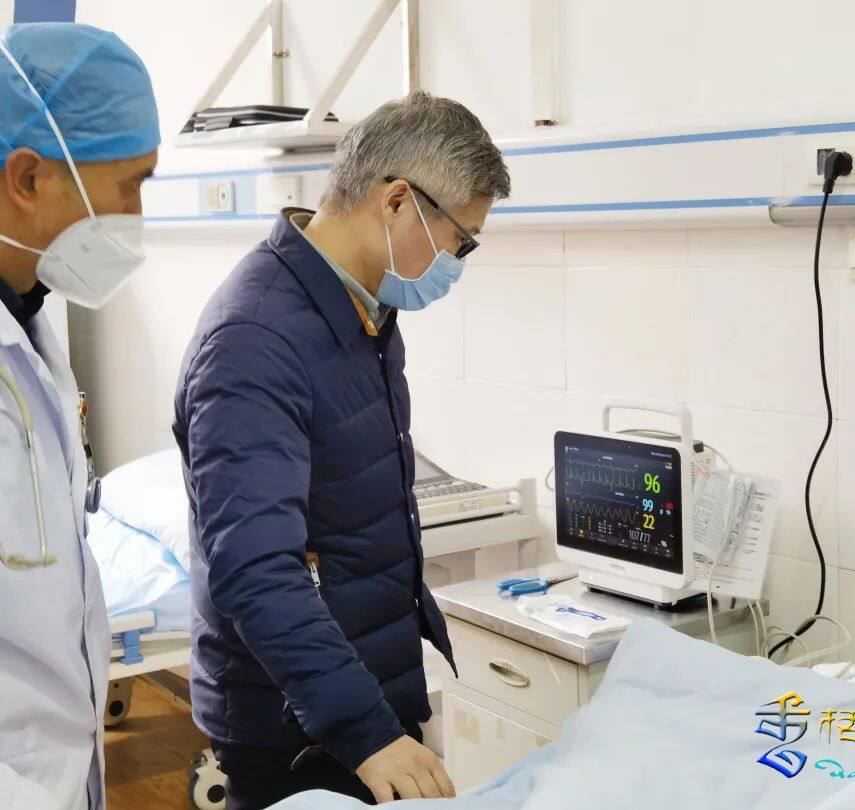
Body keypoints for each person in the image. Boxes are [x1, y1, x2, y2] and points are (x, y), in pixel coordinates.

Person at [173, 90, 511, 808]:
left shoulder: (362, 310)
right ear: (397, 202)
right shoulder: (255, 340)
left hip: (353, 691)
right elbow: (255, 568)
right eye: (461, 239)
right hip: (296, 721)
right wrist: (364, 729)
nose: (457, 261)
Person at [0, 22, 159, 810]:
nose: (136, 213)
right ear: (28, 177)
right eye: (131, 184)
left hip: (58, 768)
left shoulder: (30, 321)